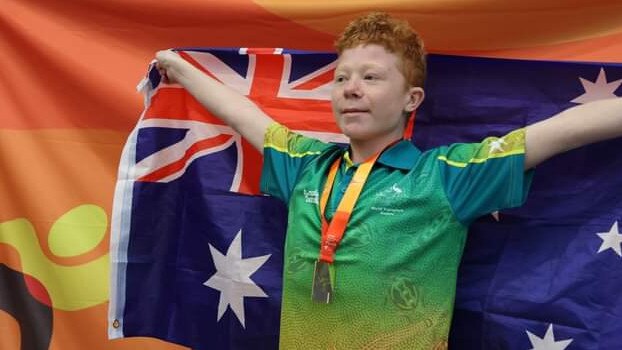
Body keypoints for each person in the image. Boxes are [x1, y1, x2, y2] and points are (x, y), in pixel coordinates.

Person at [155, 12, 622, 349]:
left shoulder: (446, 176)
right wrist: (177, 68)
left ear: (411, 98)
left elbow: (563, 131)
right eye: (341, 78)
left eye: (372, 77)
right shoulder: (304, 163)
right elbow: (242, 113)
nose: (351, 88)